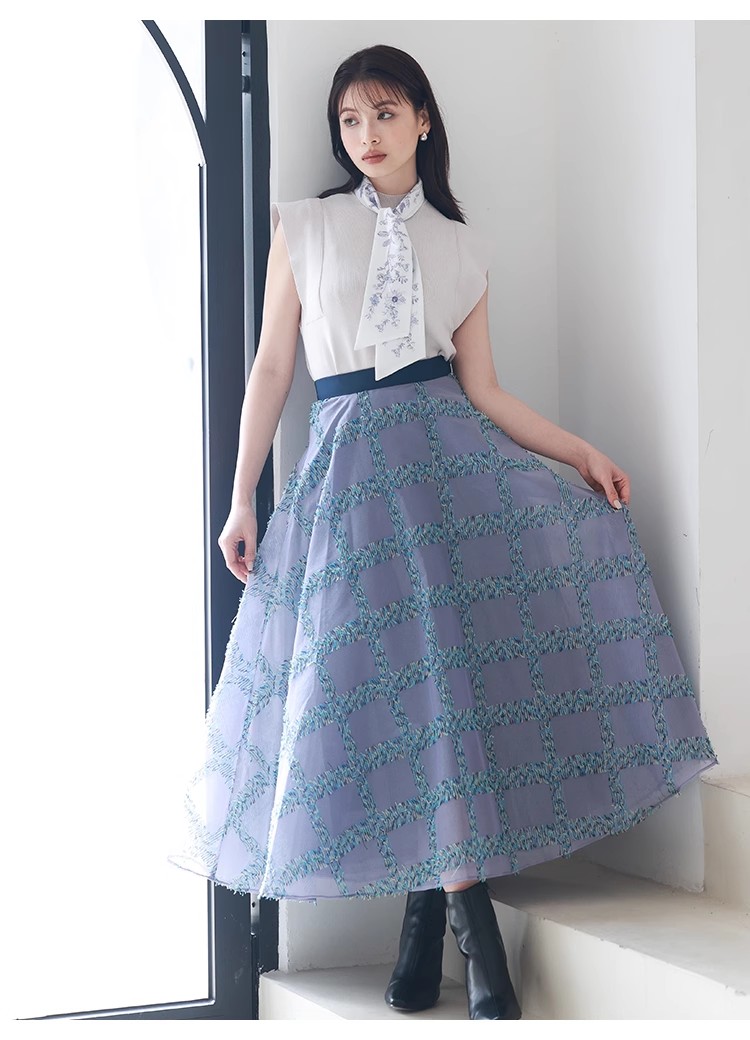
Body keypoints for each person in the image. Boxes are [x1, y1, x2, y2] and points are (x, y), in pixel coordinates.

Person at [167, 44, 719, 1021]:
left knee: (447, 703)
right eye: (349, 119)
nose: (365, 135)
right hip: (349, 485)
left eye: (385, 114)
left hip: (446, 478)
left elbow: (485, 391)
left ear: (423, 119)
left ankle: (435, 932)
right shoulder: (307, 226)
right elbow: (272, 369)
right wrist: (242, 496)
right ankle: (466, 934)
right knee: (387, 701)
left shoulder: (462, 248)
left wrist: (580, 452)